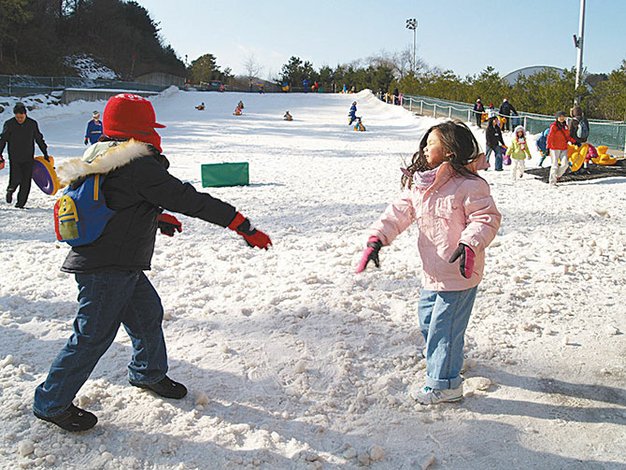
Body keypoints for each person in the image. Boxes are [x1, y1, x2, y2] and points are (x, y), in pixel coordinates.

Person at [32, 93, 272, 432]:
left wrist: (157, 218)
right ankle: (50, 402)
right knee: (93, 336)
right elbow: (191, 199)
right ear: (141, 128)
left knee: (147, 315)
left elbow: (114, 202)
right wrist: (240, 224)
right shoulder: (138, 164)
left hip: (117, 261)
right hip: (106, 267)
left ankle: (148, 373)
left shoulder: (103, 157)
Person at [355, 120, 501, 405]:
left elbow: (486, 219)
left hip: (460, 272)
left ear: (449, 151)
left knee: (443, 329)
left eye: (430, 143)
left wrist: (470, 244)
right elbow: (397, 213)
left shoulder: (470, 186)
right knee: (429, 323)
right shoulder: (420, 184)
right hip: (431, 273)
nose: (423, 148)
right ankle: (448, 359)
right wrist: (377, 239)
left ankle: (444, 385)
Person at [0, 102, 50, 208]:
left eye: (21, 117)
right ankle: (10, 190)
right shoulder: (9, 124)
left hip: (28, 157)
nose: (19, 119)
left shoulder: (32, 124)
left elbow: (39, 139)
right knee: (16, 178)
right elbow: (3, 139)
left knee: (26, 182)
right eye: (17, 117)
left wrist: (45, 153)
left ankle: (20, 204)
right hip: (15, 157)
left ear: (25, 114)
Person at [547, 111, 576, 186]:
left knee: (565, 164)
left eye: (563, 116)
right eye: (560, 117)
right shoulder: (554, 126)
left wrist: (574, 141)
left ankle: (558, 176)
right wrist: (548, 147)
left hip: (563, 147)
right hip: (554, 148)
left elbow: (567, 136)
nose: (562, 118)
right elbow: (550, 137)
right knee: (555, 165)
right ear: (557, 118)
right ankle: (552, 182)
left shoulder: (565, 126)